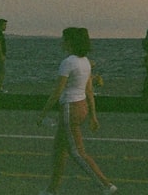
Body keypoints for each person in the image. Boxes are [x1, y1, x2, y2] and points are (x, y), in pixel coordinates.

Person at [37, 27, 117, 195]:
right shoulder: (85, 61)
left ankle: (106, 185)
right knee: (59, 150)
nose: (62, 42)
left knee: (77, 152)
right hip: (82, 107)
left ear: (71, 42)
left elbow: (57, 91)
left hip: (69, 108)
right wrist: (93, 116)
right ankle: (52, 190)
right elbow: (89, 91)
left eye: (64, 39)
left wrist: (43, 114)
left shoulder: (68, 62)